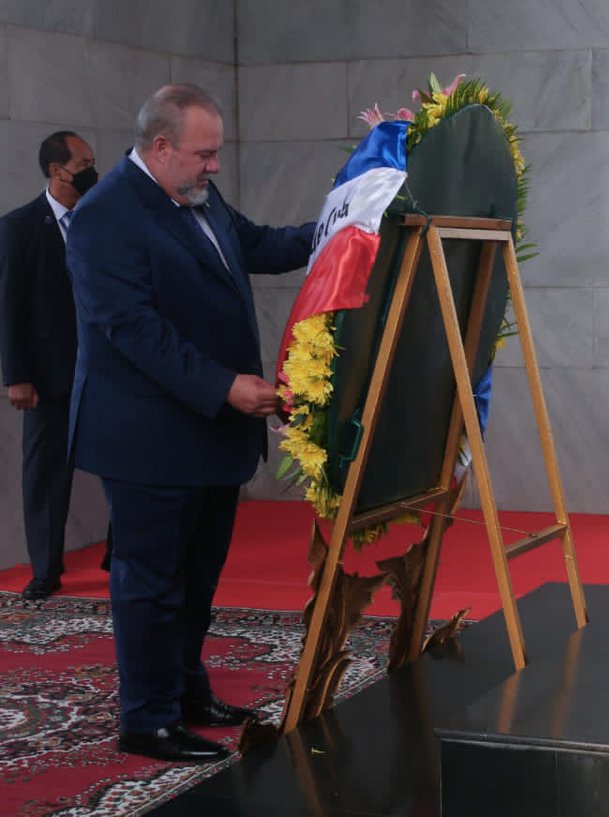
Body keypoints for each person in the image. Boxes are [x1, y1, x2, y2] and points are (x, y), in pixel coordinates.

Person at [66, 84, 315, 763]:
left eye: (218, 153)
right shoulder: (103, 216)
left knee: (197, 576)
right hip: (148, 438)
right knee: (151, 582)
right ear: (161, 146)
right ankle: (145, 719)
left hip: (208, 431)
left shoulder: (199, 196)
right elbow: (132, 329)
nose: (214, 166)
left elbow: (257, 243)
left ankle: (185, 690)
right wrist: (224, 385)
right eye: (204, 154)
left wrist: (342, 230)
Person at [0, 131, 98, 600]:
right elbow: (9, 306)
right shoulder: (19, 227)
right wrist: (16, 375)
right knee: (45, 474)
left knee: (132, 462)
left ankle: (123, 554)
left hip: (105, 371)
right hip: (49, 375)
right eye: (84, 163)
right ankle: (46, 567)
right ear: (58, 170)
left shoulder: (102, 220)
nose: (91, 171)